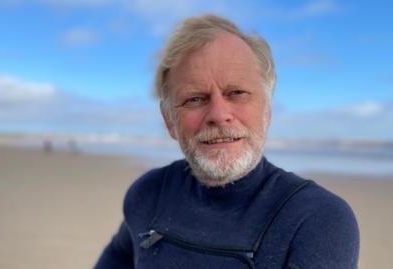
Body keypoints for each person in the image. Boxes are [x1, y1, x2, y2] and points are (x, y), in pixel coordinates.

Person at [94, 14, 359, 269]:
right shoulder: (148, 193)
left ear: (267, 111)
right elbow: (118, 256)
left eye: (237, 93)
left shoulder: (316, 220)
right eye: (194, 99)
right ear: (169, 121)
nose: (219, 116)